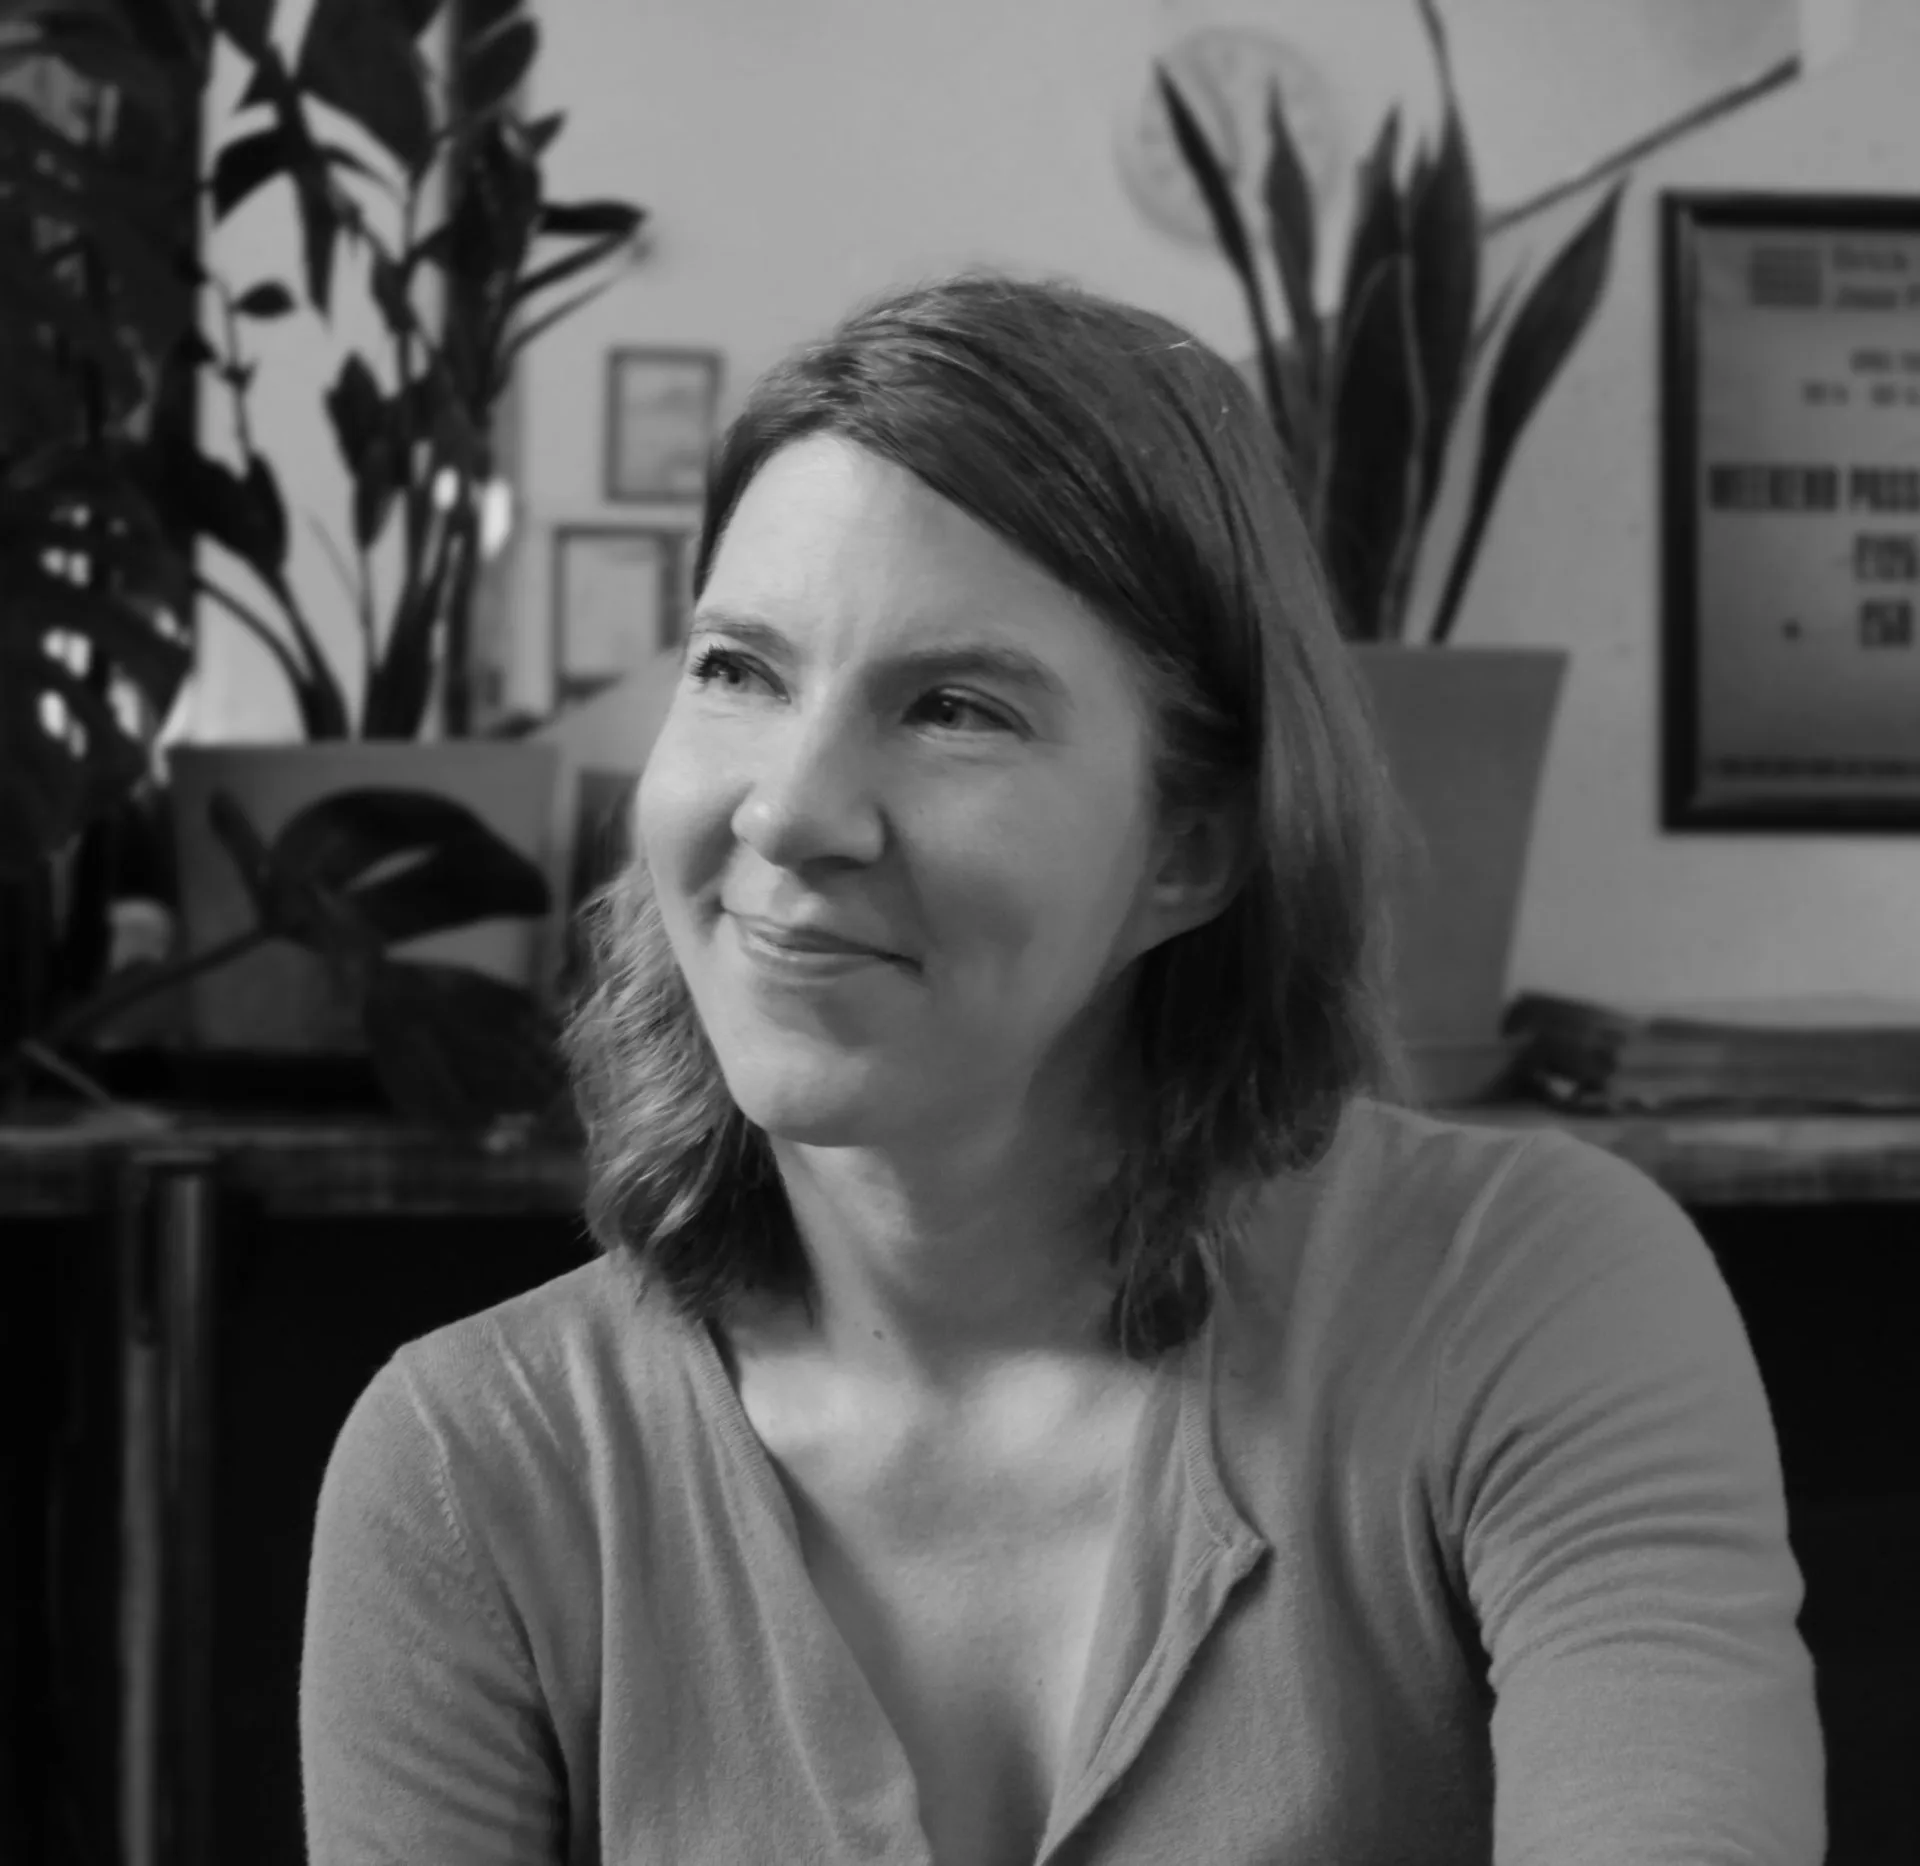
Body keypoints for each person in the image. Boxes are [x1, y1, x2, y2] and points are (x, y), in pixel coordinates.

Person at [299, 270, 1825, 1865]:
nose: (791, 810)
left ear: (1191, 846)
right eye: (738, 669)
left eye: (956, 709)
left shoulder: (1522, 1295)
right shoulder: (469, 1466)